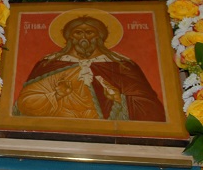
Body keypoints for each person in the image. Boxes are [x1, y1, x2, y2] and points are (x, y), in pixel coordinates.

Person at [16, 15, 166, 121]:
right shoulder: (49, 64)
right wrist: (56, 95)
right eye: (78, 33)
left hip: (107, 135)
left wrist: (119, 98)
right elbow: (24, 104)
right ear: (69, 37)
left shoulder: (121, 65)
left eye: (89, 32)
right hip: (58, 127)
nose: (84, 38)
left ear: (99, 37)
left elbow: (151, 109)